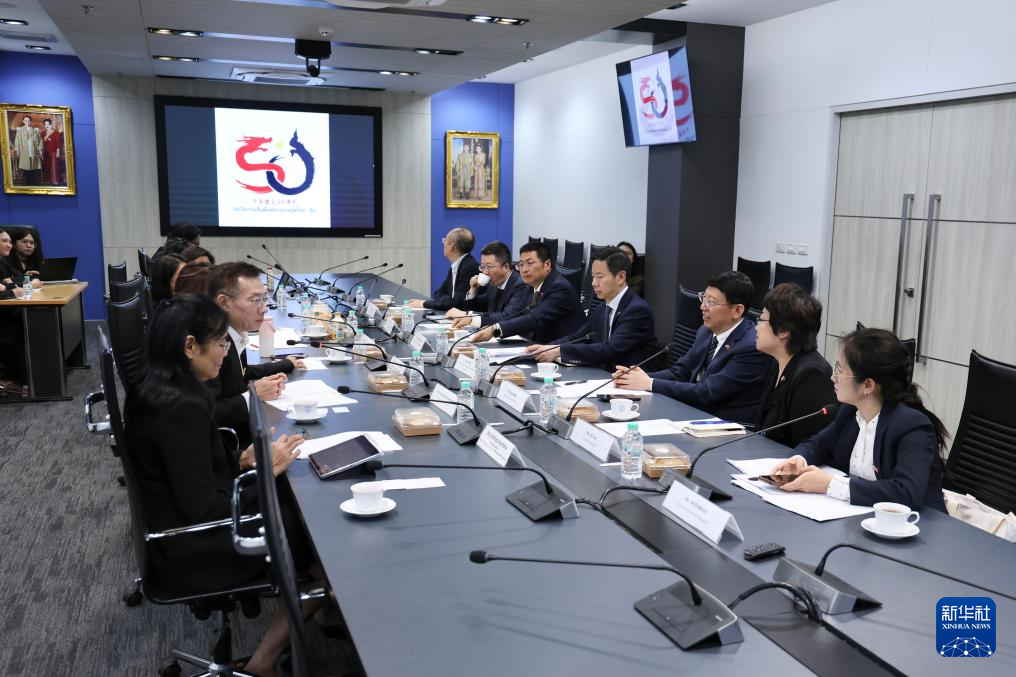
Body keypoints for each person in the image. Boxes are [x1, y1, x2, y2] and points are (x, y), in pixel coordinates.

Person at [123, 293, 307, 675]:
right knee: (315, 534)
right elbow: (206, 509)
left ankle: (321, 615)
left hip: (175, 529)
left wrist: (240, 460)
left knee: (297, 503)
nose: (226, 353)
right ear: (190, 346)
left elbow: (190, 470)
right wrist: (266, 471)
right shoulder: (179, 408)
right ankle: (265, 660)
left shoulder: (161, 388)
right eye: (221, 343)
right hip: (194, 545)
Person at [768, 328, 948, 510]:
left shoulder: (912, 426)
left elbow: (906, 492)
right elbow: (818, 445)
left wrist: (829, 484)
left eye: (840, 370)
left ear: (868, 385)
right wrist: (798, 461)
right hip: (861, 515)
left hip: (916, 523)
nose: (833, 377)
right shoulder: (850, 412)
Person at [613, 270, 769, 424]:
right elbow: (681, 372)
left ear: (737, 310)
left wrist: (650, 383)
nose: (702, 307)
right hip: (695, 414)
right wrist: (632, 378)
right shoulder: (706, 332)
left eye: (711, 302)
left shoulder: (750, 346)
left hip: (727, 425)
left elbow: (708, 392)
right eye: (704, 298)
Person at [206, 262, 305, 443]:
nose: (264, 308)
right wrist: (253, 395)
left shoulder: (235, 333)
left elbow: (241, 373)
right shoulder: (211, 348)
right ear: (224, 302)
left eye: (264, 299)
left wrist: (284, 364)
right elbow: (206, 415)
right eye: (255, 300)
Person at [525, 247, 658, 371]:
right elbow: (578, 337)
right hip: (606, 377)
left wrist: (560, 351)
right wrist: (548, 348)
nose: (594, 283)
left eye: (599, 277)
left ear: (620, 277)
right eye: (593, 276)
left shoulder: (637, 311)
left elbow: (610, 349)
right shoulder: (602, 308)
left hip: (634, 382)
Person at [754, 284, 836, 447]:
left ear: (783, 330)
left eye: (761, 319)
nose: (756, 326)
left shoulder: (812, 376)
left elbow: (810, 447)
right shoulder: (778, 363)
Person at [470, 241, 585, 344]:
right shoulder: (529, 286)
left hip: (563, 351)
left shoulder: (559, 288)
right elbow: (514, 316)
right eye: (521, 264)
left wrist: (495, 329)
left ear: (547, 265)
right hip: (536, 346)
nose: (524, 270)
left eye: (529, 263)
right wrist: (481, 322)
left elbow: (535, 319)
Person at [445, 240, 527, 329]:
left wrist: (468, 315)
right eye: (482, 267)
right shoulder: (493, 284)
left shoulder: (520, 285)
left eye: (489, 267)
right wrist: (473, 291)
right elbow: (481, 310)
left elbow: (505, 317)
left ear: (506, 267)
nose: (485, 272)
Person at [408, 227, 479, 311]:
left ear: (452, 246)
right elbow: (438, 293)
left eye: (445, 240)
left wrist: (424, 304)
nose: (443, 243)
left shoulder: (469, 267)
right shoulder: (456, 266)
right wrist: (448, 301)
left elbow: (457, 303)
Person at [0, 228, 28, 395]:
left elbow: (9, 284)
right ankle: (13, 380)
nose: (9, 245)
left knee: (24, 322)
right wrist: (11, 293)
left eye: (10, 241)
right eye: (4, 241)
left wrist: (8, 289)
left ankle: (24, 379)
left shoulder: (2, 262)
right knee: (19, 329)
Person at [13, 115, 42, 184]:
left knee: (33, 167)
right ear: (23, 121)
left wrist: (40, 149)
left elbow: (40, 140)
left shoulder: (35, 130)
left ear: (30, 121)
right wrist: (17, 150)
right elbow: (17, 140)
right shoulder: (20, 130)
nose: (27, 122)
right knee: (26, 168)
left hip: (33, 151)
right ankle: (27, 183)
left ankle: (34, 183)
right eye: (26, 121)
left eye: (29, 121)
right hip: (24, 151)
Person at [41, 118, 63, 185]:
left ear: (50, 125)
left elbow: (58, 144)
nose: (46, 125)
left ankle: (54, 180)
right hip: (46, 152)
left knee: (53, 167)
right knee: (47, 167)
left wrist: (58, 152)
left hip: (53, 152)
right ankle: (47, 181)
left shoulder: (55, 133)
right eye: (45, 124)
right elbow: (41, 142)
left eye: (48, 124)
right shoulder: (43, 133)